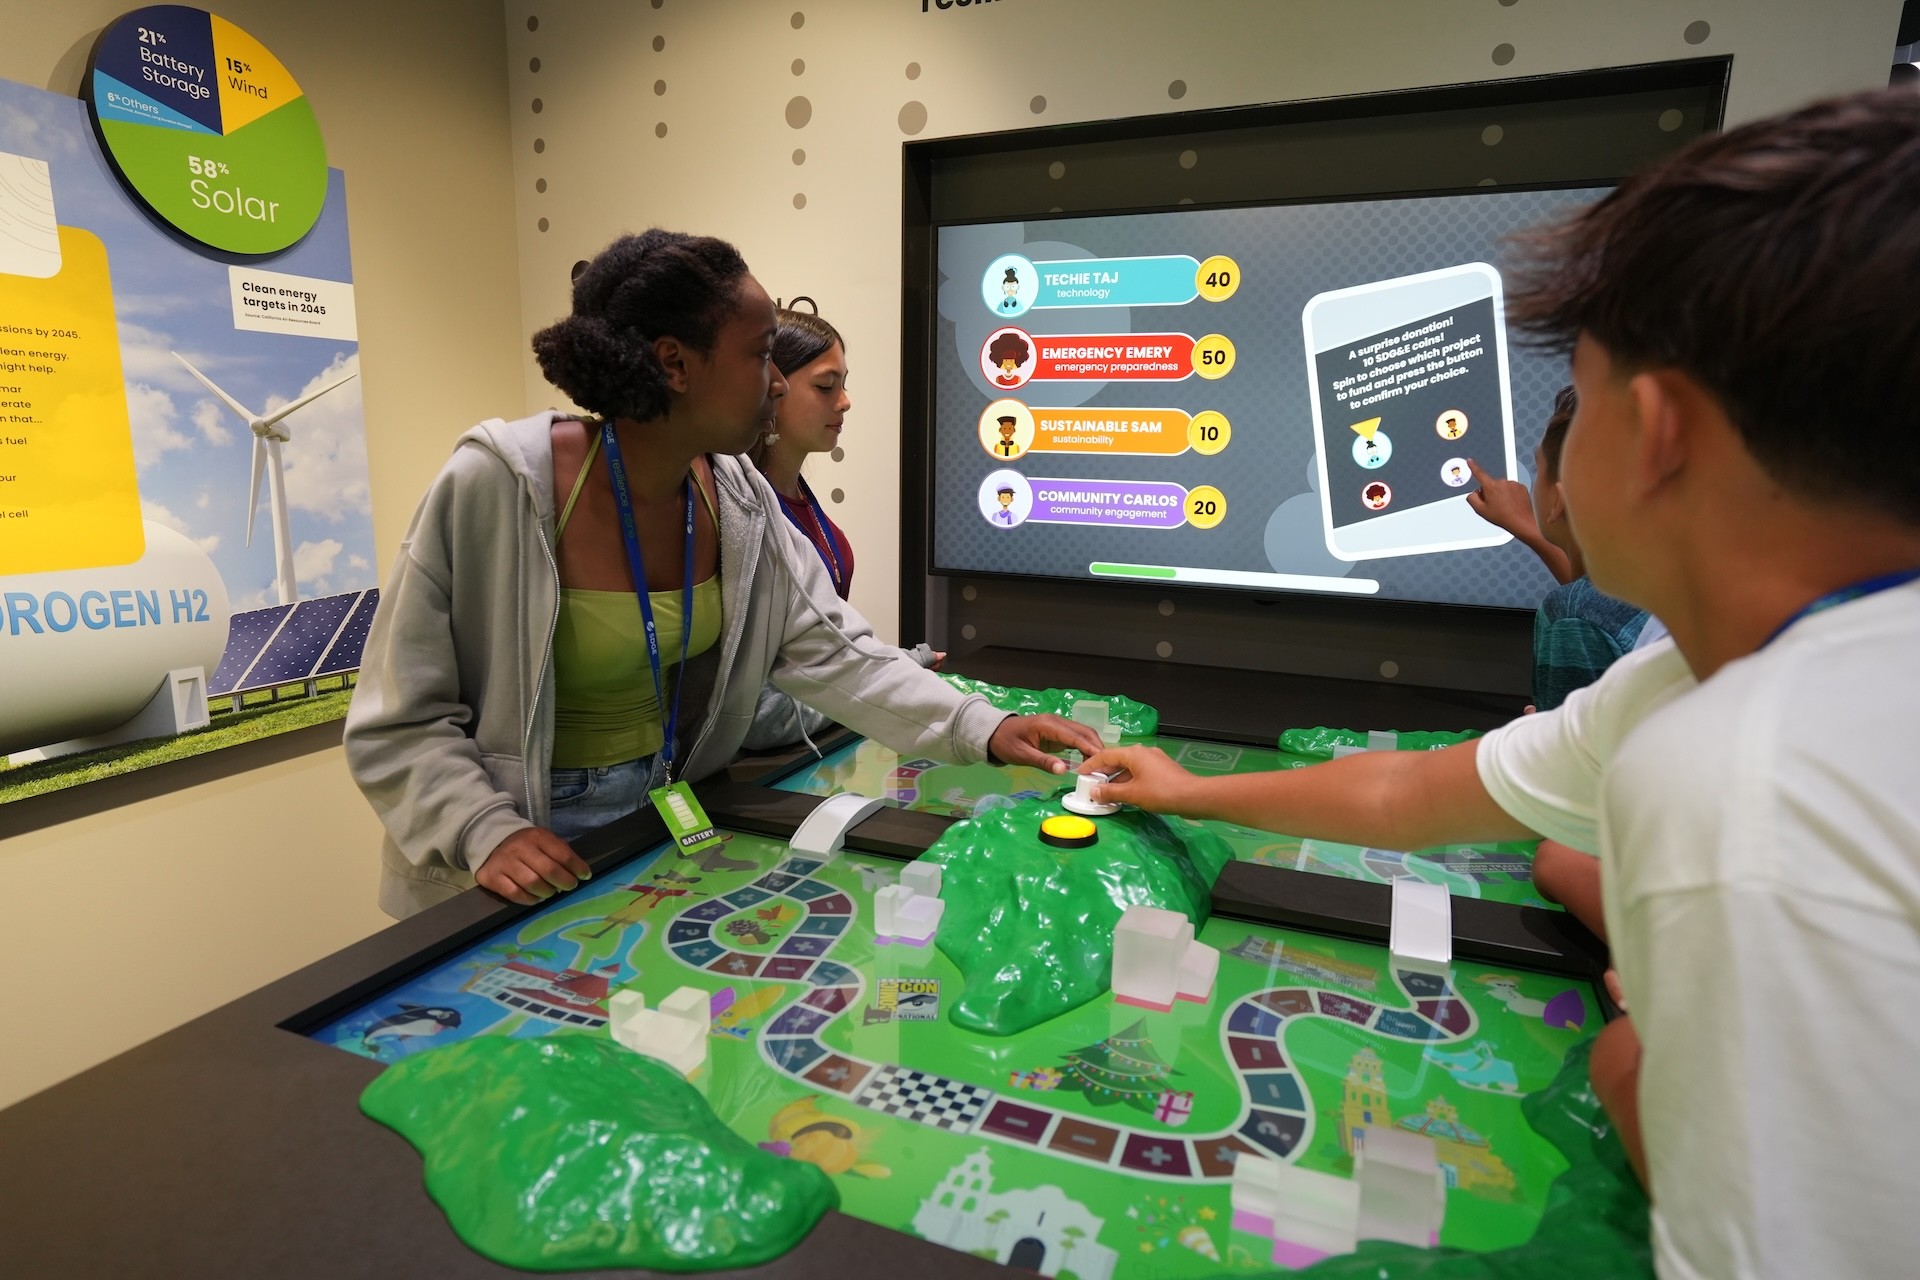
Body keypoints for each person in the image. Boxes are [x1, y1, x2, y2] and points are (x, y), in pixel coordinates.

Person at [1079, 90, 1920, 1279]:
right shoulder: (1679, 676)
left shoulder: (1741, 761)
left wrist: (1640, 1066)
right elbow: (1408, 795)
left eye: (1579, 395)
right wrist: (1186, 791)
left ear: (1659, 429)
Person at [346, 230, 1098, 918]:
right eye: (761, 354)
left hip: (655, 825)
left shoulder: (737, 496)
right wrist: (483, 828)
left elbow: (838, 652)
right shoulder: (502, 485)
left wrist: (983, 725)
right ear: (675, 363)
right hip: (508, 851)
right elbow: (398, 715)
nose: (779, 383)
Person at [741, 298, 939, 750]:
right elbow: (759, 716)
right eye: (826, 386)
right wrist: (881, 688)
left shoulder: (801, 501)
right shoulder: (743, 516)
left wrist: (890, 672)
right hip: (761, 770)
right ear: (771, 386)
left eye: (843, 385)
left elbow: (824, 662)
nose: (845, 402)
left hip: (815, 754)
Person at [1469, 386, 1650, 712]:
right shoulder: (1665, 589)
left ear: (1560, 499)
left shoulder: (1572, 618)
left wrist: (1540, 731)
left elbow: (1573, 747)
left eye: (1538, 469)